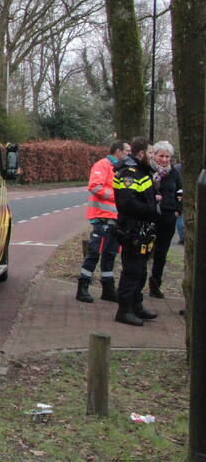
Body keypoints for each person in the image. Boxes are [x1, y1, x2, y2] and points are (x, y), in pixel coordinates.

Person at [113, 137, 161, 326]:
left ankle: (136, 305)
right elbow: (128, 203)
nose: (153, 157)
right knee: (132, 270)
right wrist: (152, 210)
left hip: (143, 228)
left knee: (140, 270)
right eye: (150, 153)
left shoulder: (142, 171)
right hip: (132, 229)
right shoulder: (129, 173)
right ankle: (123, 310)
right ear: (141, 154)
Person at [77, 140, 130, 303]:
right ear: (118, 151)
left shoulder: (122, 169)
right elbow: (95, 187)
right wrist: (119, 196)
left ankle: (108, 289)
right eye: (127, 151)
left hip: (115, 219)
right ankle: (83, 287)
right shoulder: (103, 165)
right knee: (95, 252)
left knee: (110, 254)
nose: (129, 154)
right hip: (102, 218)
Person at [148, 141, 182, 298]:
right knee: (144, 252)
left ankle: (155, 285)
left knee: (161, 254)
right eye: (161, 156)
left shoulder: (174, 173)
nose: (164, 159)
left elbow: (180, 192)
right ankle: (136, 285)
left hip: (168, 216)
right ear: (154, 155)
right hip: (150, 216)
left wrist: (177, 210)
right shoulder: (147, 171)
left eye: (167, 156)